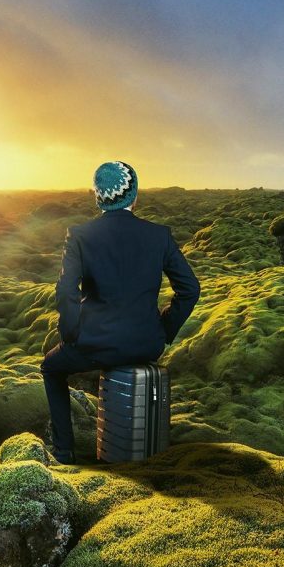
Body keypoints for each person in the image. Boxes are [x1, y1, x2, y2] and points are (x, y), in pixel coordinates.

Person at [40, 161, 200, 464]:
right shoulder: (159, 236)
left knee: (51, 368)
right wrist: (163, 330)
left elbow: (65, 292)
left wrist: (72, 334)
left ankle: (64, 452)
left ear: (98, 197)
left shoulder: (80, 235)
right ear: (134, 196)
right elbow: (190, 289)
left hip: (94, 344)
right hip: (145, 344)